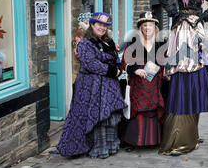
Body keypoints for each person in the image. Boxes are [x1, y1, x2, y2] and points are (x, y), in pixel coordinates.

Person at [158, 0, 208, 156]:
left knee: (199, 57)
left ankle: (192, 130)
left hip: (197, 28)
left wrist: (205, 16)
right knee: (182, 58)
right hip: (183, 27)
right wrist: (174, 13)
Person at [56, 12, 127, 159]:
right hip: (91, 87)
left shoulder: (109, 42)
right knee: (93, 116)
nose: (102, 28)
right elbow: (92, 64)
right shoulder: (85, 43)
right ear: (92, 25)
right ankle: (94, 147)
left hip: (109, 87)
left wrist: (119, 68)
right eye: (99, 24)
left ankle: (109, 146)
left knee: (108, 116)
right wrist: (113, 71)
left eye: (105, 26)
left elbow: (116, 57)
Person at [121, 11, 166, 151]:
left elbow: (166, 62)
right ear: (140, 28)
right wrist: (135, 70)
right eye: (144, 25)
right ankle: (136, 141)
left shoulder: (161, 44)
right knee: (139, 109)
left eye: (150, 25)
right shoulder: (134, 43)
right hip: (138, 82)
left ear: (155, 28)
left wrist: (163, 70)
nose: (147, 28)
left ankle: (154, 140)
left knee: (153, 108)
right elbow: (125, 61)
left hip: (155, 82)